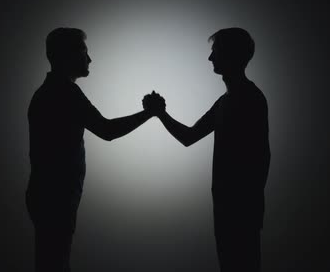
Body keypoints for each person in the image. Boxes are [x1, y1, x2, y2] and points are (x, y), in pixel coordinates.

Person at [143, 28, 271, 272]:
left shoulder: (249, 99)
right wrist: (160, 114)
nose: (210, 58)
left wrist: (247, 204)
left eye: (215, 52)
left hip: (239, 209)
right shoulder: (227, 101)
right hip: (229, 206)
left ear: (230, 55)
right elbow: (189, 137)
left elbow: (262, 157)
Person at [27, 27, 153, 272]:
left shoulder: (48, 92)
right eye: (84, 51)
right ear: (67, 55)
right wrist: (149, 113)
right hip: (56, 196)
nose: (90, 59)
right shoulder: (65, 93)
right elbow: (107, 130)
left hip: (46, 193)